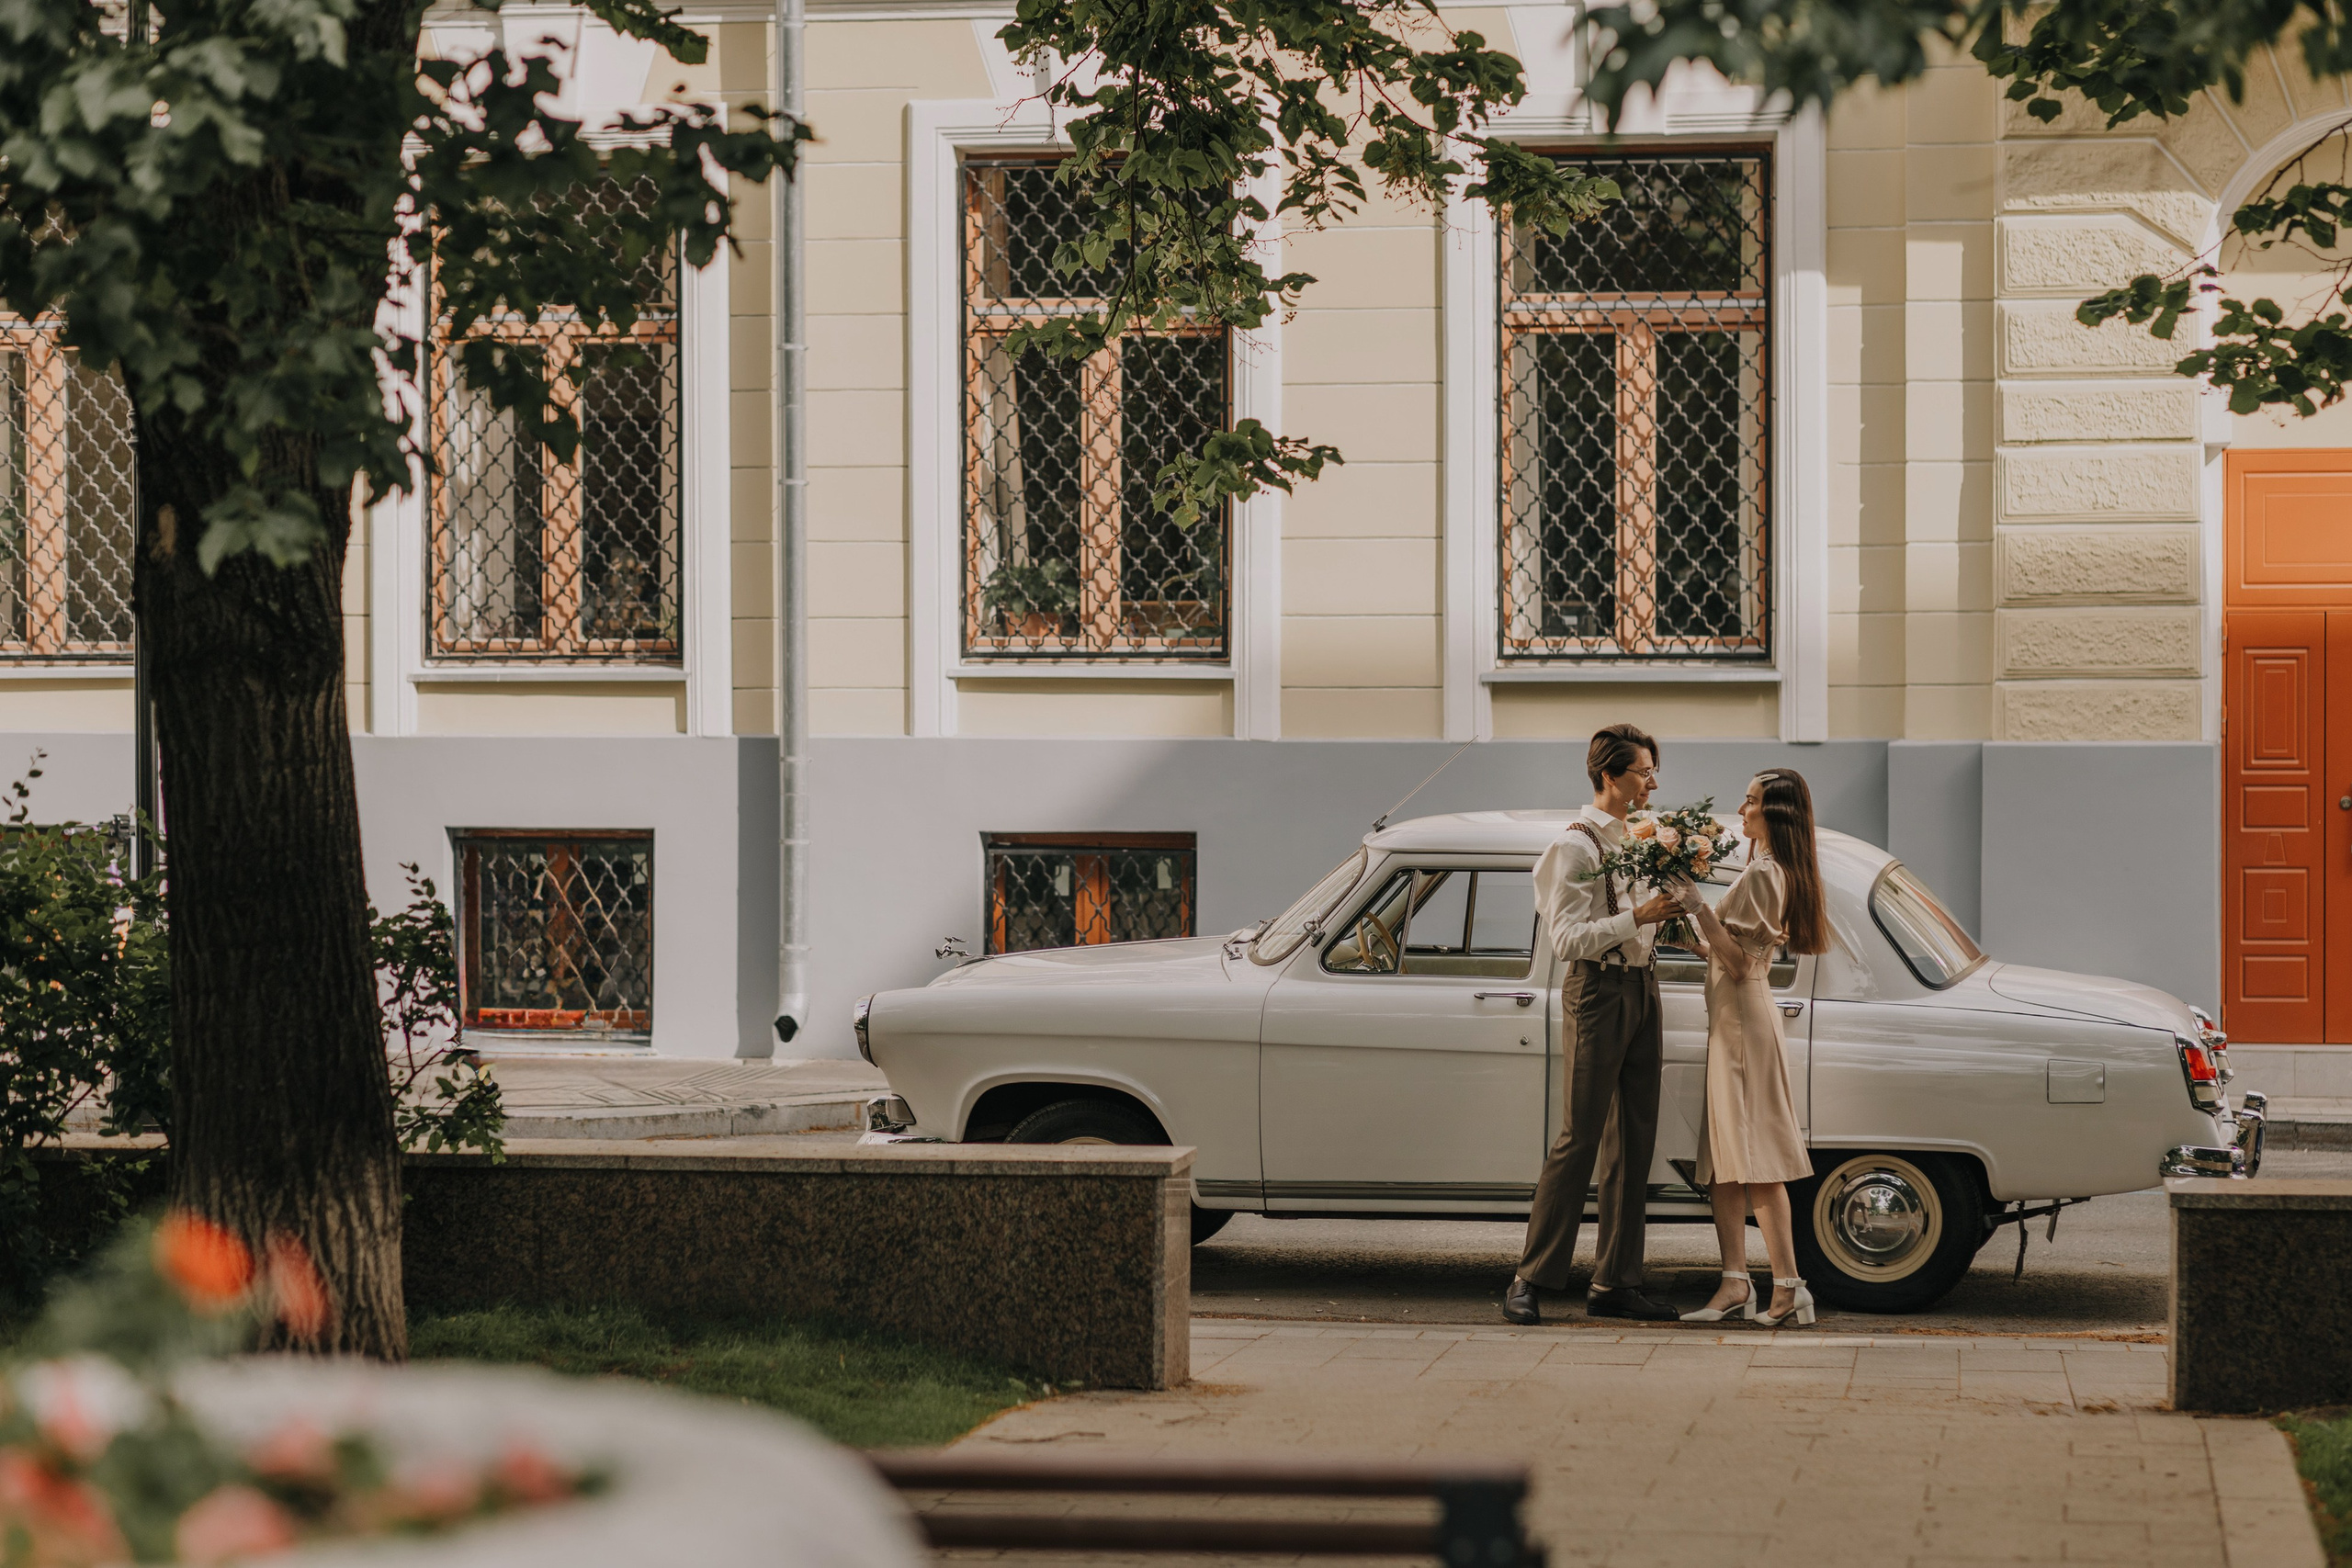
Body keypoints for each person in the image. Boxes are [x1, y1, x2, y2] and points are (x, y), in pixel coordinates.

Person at [1503, 724, 1685, 1325]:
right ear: (1609, 775)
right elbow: (1565, 939)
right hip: (1597, 990)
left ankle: (1616, 1281)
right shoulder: (1575, 847)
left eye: (1654, 772)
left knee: (1635, 1141)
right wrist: (1640, 915)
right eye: (1642, 772)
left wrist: (1672, 915)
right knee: (1579, 1136)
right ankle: (1528, 1277)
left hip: (1641, 987)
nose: (1652, 783)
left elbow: (1650, 921)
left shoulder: (1642, 839)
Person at [1675, 768, 1832, 1328]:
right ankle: (1735, 1283)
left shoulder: (1767, 872)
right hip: (1734, 1021)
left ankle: (1788, 1287)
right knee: (1724, 1162)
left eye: (1751, 802)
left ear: (1775, 813)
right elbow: (1732, 954)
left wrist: (1696, 905)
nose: (1741, 811)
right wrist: (1693, 936)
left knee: (1755, 1158)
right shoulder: (1764, 868)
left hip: (1744, 1024)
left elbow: (1742, 965)